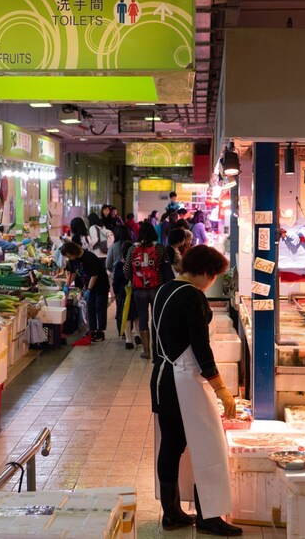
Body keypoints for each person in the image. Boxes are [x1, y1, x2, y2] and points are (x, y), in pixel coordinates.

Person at [151, 245, 241, 536]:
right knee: (209, 445)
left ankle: (172, 513)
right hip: (185, 382)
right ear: (205, 272)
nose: (213, 281)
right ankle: (209, 517)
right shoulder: (193, 297)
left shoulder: (165, 289)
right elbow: (201, 350)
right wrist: (222, 390)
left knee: (172, 445)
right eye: (214, 275)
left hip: (162, 380)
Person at [124, 226, 168, 359]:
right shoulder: (159, 248)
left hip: (139, 290)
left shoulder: (132, 248)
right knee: (157, 319)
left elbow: (127, 270)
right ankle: (157, 350)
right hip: (156, 288)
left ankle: (146, 351)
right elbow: (165, 267)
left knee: (143, 318)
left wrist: (134, 279)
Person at [61, 241, 110, 343]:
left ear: (74, 251)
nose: (69, 258)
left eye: (69, 255)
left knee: (99, 307)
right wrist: (67, 284)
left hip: (100, 285)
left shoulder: (88, 257)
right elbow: (73, 273)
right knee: (90, 308)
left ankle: (100, 332)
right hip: (89, 285)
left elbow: (94, 275)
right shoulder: (73, 260)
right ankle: (92, 331)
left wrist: (89, 290)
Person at [111, 239, 136, 349]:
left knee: (125, 315)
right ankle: (138, 335)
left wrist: (115, 292)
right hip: (135, 291)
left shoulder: (119, 265)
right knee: (136, 314)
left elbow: (115, 281)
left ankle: (128, 339)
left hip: (123, 293)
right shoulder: (136, 263)